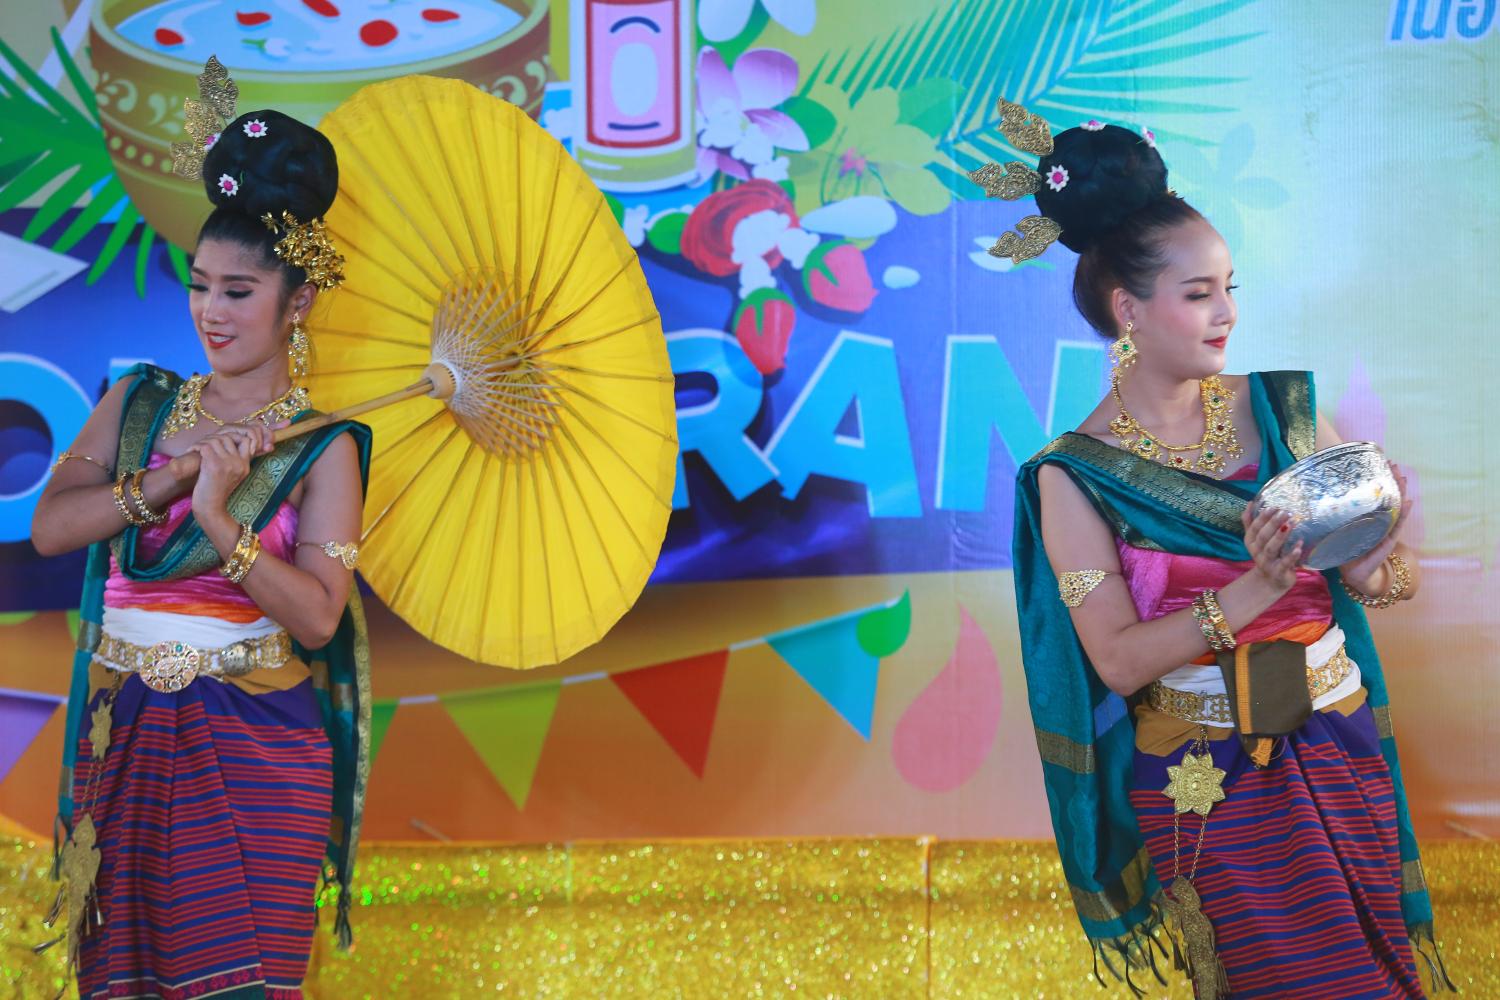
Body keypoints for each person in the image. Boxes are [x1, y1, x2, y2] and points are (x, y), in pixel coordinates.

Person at [982, 110, 1452, 997]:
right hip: (1208, 781)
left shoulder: (1288, 415)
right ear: (1130, 309)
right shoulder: (1075, 479)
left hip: (1340, 744)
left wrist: (1370, 567)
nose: (1228, 313)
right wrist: (1251, 589)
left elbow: (1388, 580)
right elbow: (1116, 660)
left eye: (1230, 286)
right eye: (1199, 293)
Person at [30, 81, 373, 999]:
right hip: (125, 732)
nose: (211, 312)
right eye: (199, 286)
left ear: (296, 300)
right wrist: (174, 478)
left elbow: (316, 618)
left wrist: (223, 520)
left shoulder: (325, 447)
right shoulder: (138, 402)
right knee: (120, 980)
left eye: (239, 291)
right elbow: (53, 527)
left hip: (258, 742)